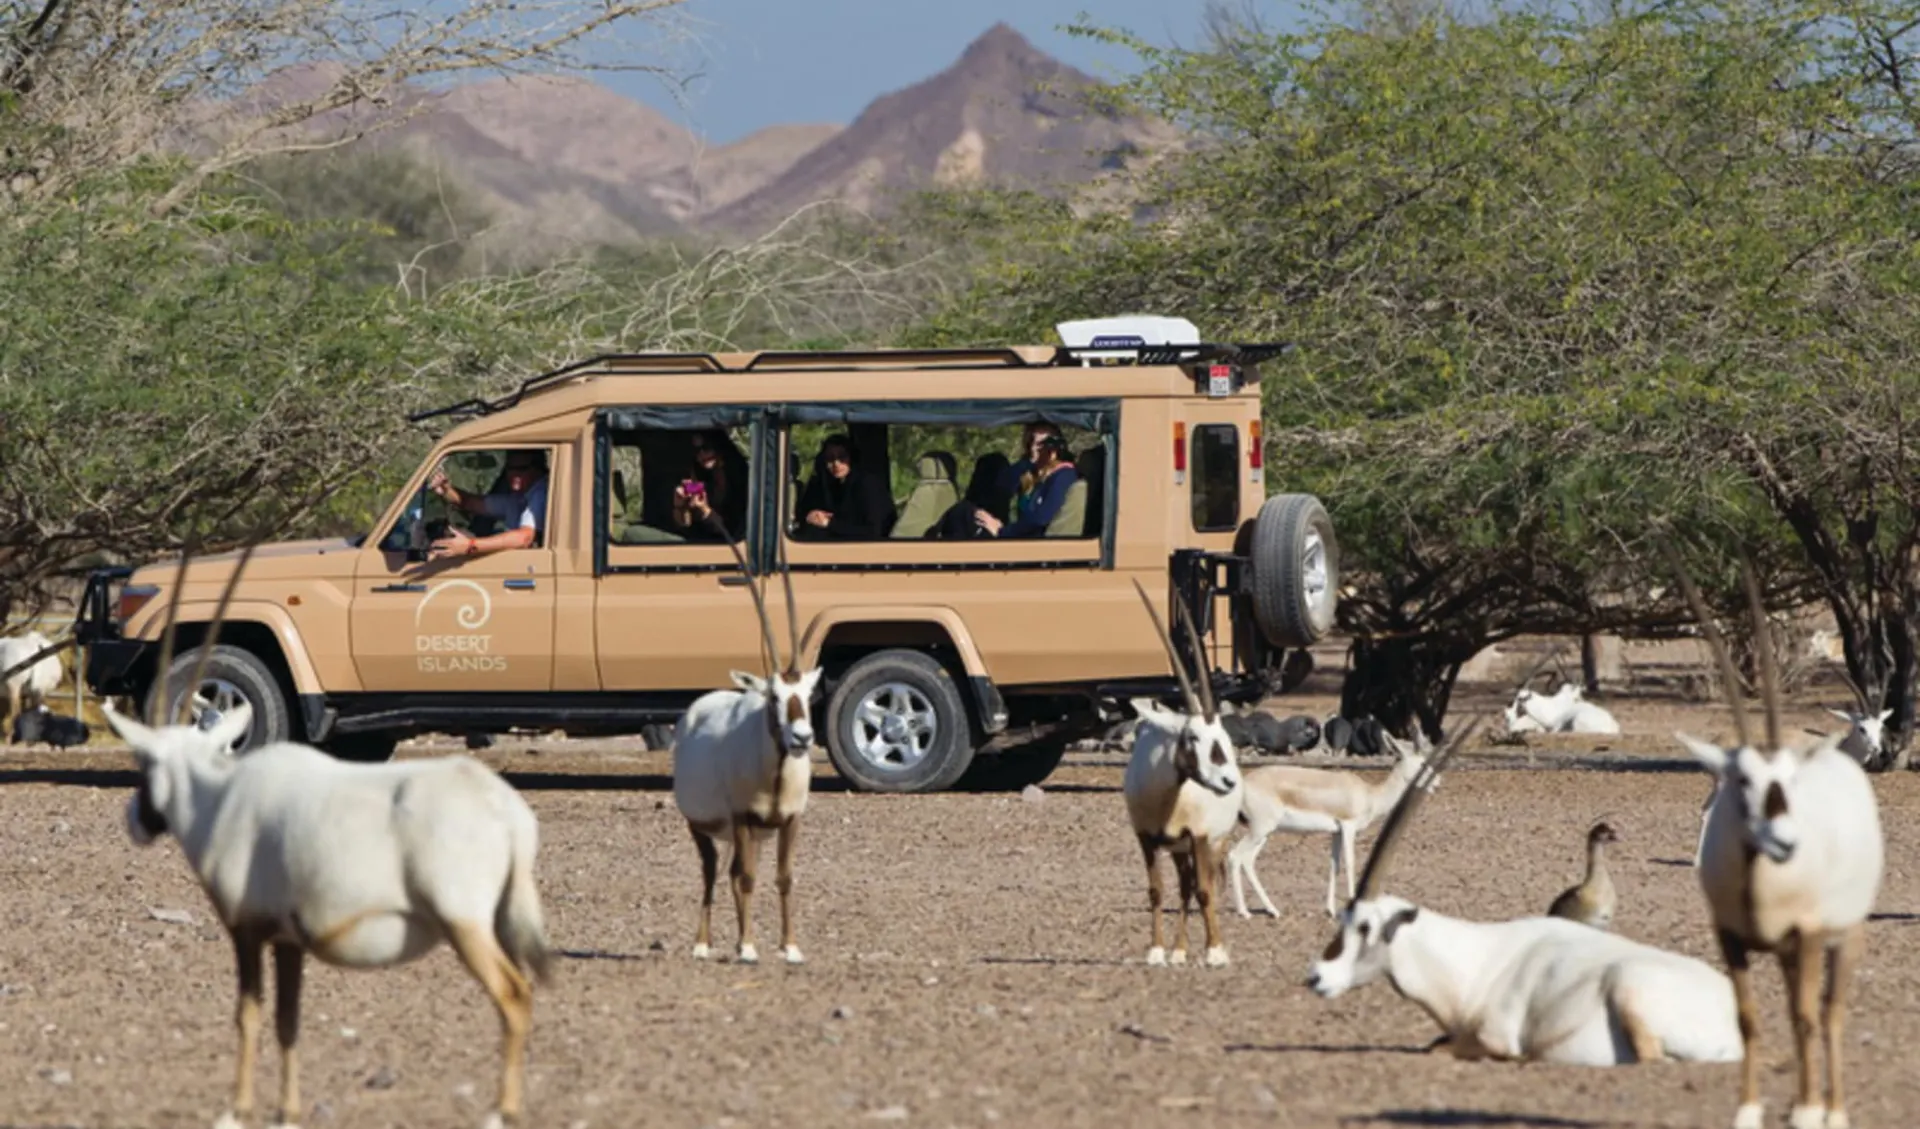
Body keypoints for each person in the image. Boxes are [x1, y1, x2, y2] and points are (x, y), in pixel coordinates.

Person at [933, 423, 1079, 539]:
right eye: (1036, 443)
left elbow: (1040, 520)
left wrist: (1002, 531)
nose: (1043, 449)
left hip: (1034, 546)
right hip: (1021, 538)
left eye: (1048, 443)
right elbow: (1001, 487)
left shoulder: (1064, 476)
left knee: (964, 513)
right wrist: (1029, 462)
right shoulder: (1032, 475)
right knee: (964, 512)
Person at [427, 449, 549, 560]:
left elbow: (524, 538)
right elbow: (471, 503)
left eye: (521, 469)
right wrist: (446, 490)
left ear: (538, 470)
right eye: (510, 468)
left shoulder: (541, 493)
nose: (514, 474)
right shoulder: (517, 498)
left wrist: (471, 545)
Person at [794, 434, 897, 540]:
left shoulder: (867, 485)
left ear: (851, 458)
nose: (836, 464)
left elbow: (872, 531)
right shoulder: (825, 484)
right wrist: (813, 517)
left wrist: (830, 523)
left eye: (842, 457)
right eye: (830, 458)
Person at [671, 429, 751, 540]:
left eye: (707, 448)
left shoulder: (741, 477)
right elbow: (685, 525)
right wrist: (681, 506)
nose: (702, 454)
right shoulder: (699, 477)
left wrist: (705, 510)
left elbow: (730, 531)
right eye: (696, 451)